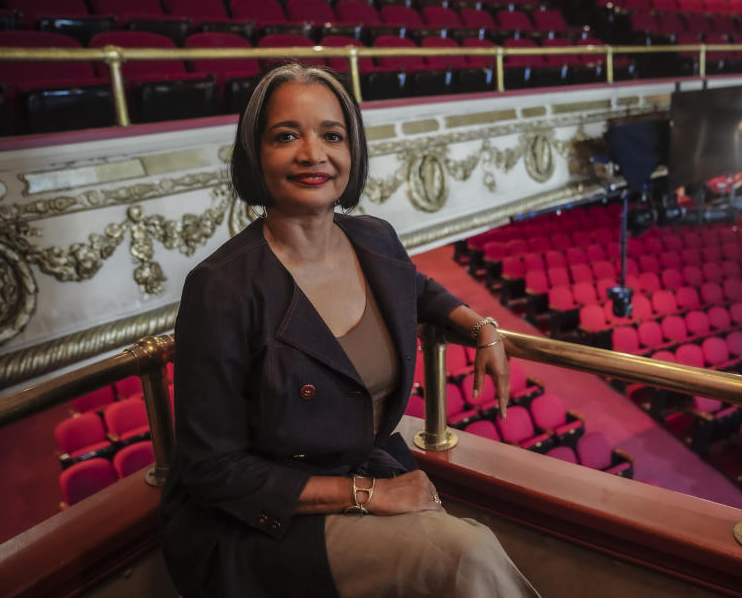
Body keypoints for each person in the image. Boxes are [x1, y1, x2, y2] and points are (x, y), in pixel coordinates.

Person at [159, 63, 541, 598]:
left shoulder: (374, 238)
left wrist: (481, 327)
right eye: (286, 135)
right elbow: (211, 469)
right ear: (255, 154)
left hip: (362, 470)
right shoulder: (220, 288)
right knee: (466, 554)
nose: (313, 153)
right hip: (264, 519)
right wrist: (366, 494)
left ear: (352, 151)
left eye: (332, 135)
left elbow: (419, 289)